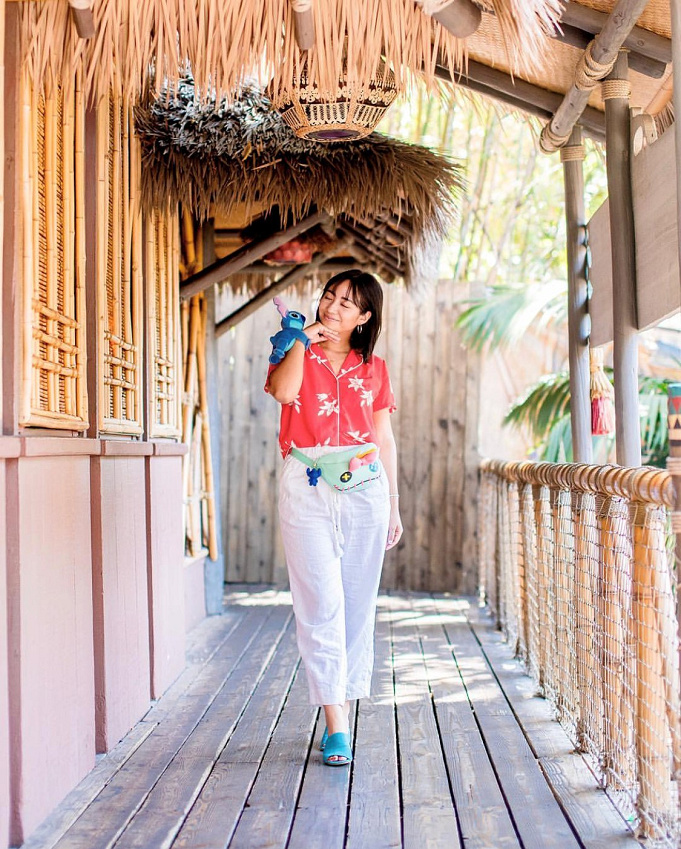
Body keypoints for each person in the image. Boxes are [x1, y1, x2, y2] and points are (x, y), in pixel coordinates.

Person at [265, 269, 403, 766]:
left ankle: (341, 704)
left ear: (364, 316)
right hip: (306, 484)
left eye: (347, 302)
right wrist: (301, 338)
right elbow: (284, 394)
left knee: (357, 602)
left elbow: (383, 438)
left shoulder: (375, 368)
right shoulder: (293, 346)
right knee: (319, 601)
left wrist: (394, 502)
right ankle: (336, 723)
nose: (333, 306)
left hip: (366, 489)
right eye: (330, 296)